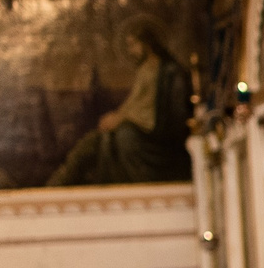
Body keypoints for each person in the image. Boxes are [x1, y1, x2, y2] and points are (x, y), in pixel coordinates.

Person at [52, 19, 195, 187]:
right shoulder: (144, 69)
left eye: (133, 45)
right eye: (128, 46)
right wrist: (117, 117)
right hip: (140, 123)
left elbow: (151, 109)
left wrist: (120, 118)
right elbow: (134, 103)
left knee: (123, 136)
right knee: (97, 139)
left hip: (157, 132)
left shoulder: (167, 71)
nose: (130, 51)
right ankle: (65, 178)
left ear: (147, 43)